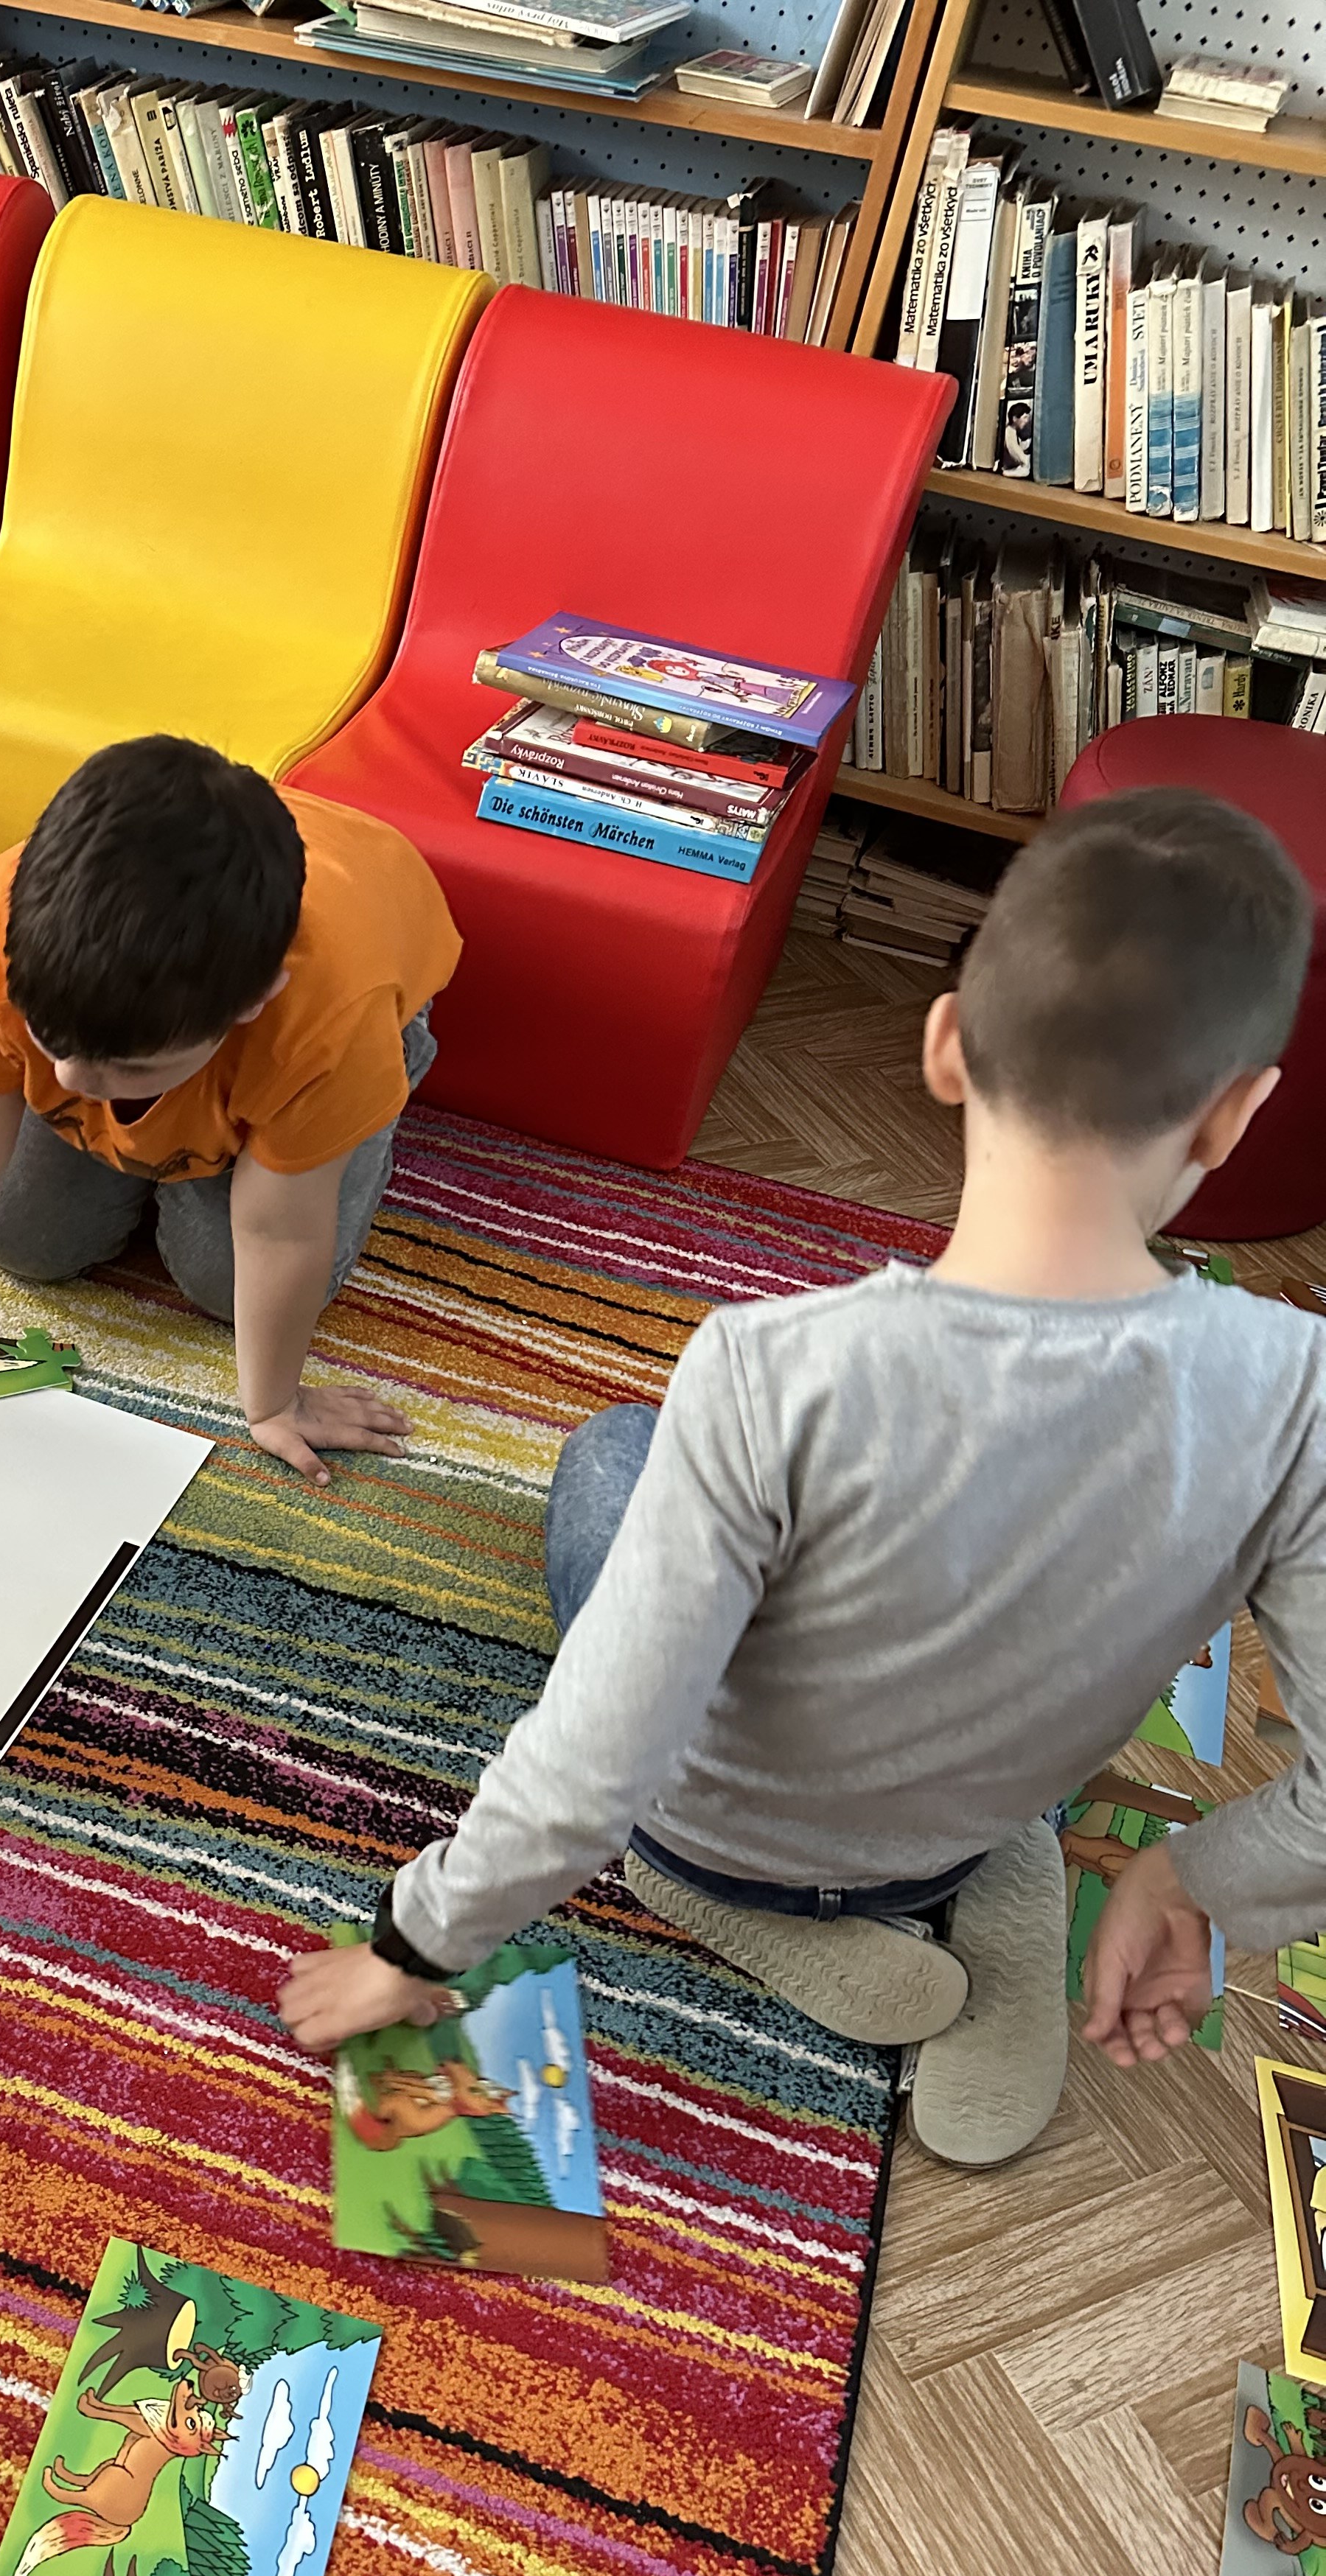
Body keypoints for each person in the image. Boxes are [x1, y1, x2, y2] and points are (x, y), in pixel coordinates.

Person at [280, 788, 1326, 2169]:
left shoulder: (768, 1373)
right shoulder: (1298, 1396)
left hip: (721, 1833)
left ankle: (731, 1905)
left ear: (944, 1046)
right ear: (1233, 1117)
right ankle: (1006, 1861)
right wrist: (1187, 1875)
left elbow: (592, 1766)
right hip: (965, 1816)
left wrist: (408, 1946)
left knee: (611, 1454)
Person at [0, 735, 458, 1483]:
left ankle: (343, 1089)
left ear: (254, 1002)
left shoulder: (328, 1019)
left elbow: (282, 1232)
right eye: (47, 1038)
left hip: (341, 1009)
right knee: (22, 1239)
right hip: (168, 991)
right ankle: (158, 1106)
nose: (72, 1079)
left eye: (131, 1068)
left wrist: (273, 1404)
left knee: (224, 1283)